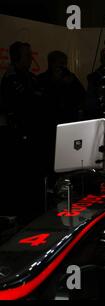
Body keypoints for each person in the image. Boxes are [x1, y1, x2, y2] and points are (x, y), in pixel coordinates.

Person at [0, 41, 44, 223]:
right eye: (27, 55)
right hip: (18, 135)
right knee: (20, 175)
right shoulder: (11, 78)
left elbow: (41, 99)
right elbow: (25, 103)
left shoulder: (30, 77)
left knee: (32, 175)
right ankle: (22, 212)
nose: (31, 59)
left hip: (33, 132)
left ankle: (33, 209)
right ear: (17, 57)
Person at [38, 50, 86, 180]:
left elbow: (82, 96)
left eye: (65, 64)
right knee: (49, 158)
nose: (63, 67)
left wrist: (70, 84)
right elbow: (41, 103)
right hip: (49, 128)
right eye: (60, 64)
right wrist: (56, 83)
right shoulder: (42, 80)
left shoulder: (70, 78)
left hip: (68, 125)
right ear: (51, 64)